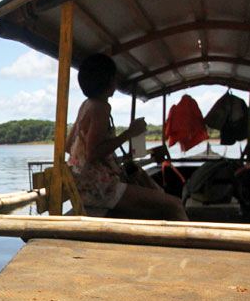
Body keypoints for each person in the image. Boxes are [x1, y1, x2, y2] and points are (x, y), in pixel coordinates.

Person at [66, 53, 188, 220]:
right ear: (108, 80)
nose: (116, 82)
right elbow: (93, 153)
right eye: (114, 78)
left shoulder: (86, 106)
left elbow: (68, 146)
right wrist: (130, 133)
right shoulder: (101, 108)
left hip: (83, 185)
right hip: (98, 188)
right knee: (175, 206)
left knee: (155, 210)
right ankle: (192, 245)